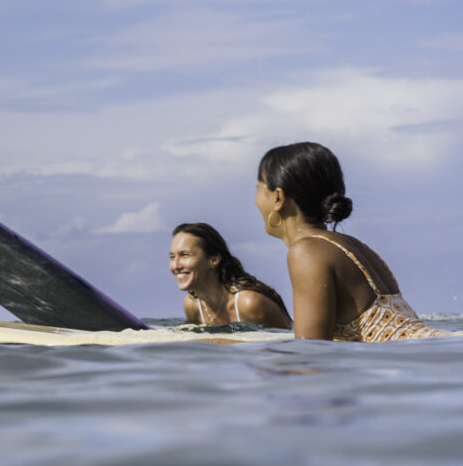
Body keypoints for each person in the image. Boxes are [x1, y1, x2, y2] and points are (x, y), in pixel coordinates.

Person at [255, 141, 445, 341]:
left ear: (278, 197)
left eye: (258, 188)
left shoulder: (306, 252)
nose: (256, 197)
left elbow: (310, 355)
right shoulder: (353, 246)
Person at [169, 222, 291, 329]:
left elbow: (285, 346)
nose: (175, 266)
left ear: (214, 260)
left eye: (185, 255)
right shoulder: (193, 304)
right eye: (172, 257)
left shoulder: (249, 303)